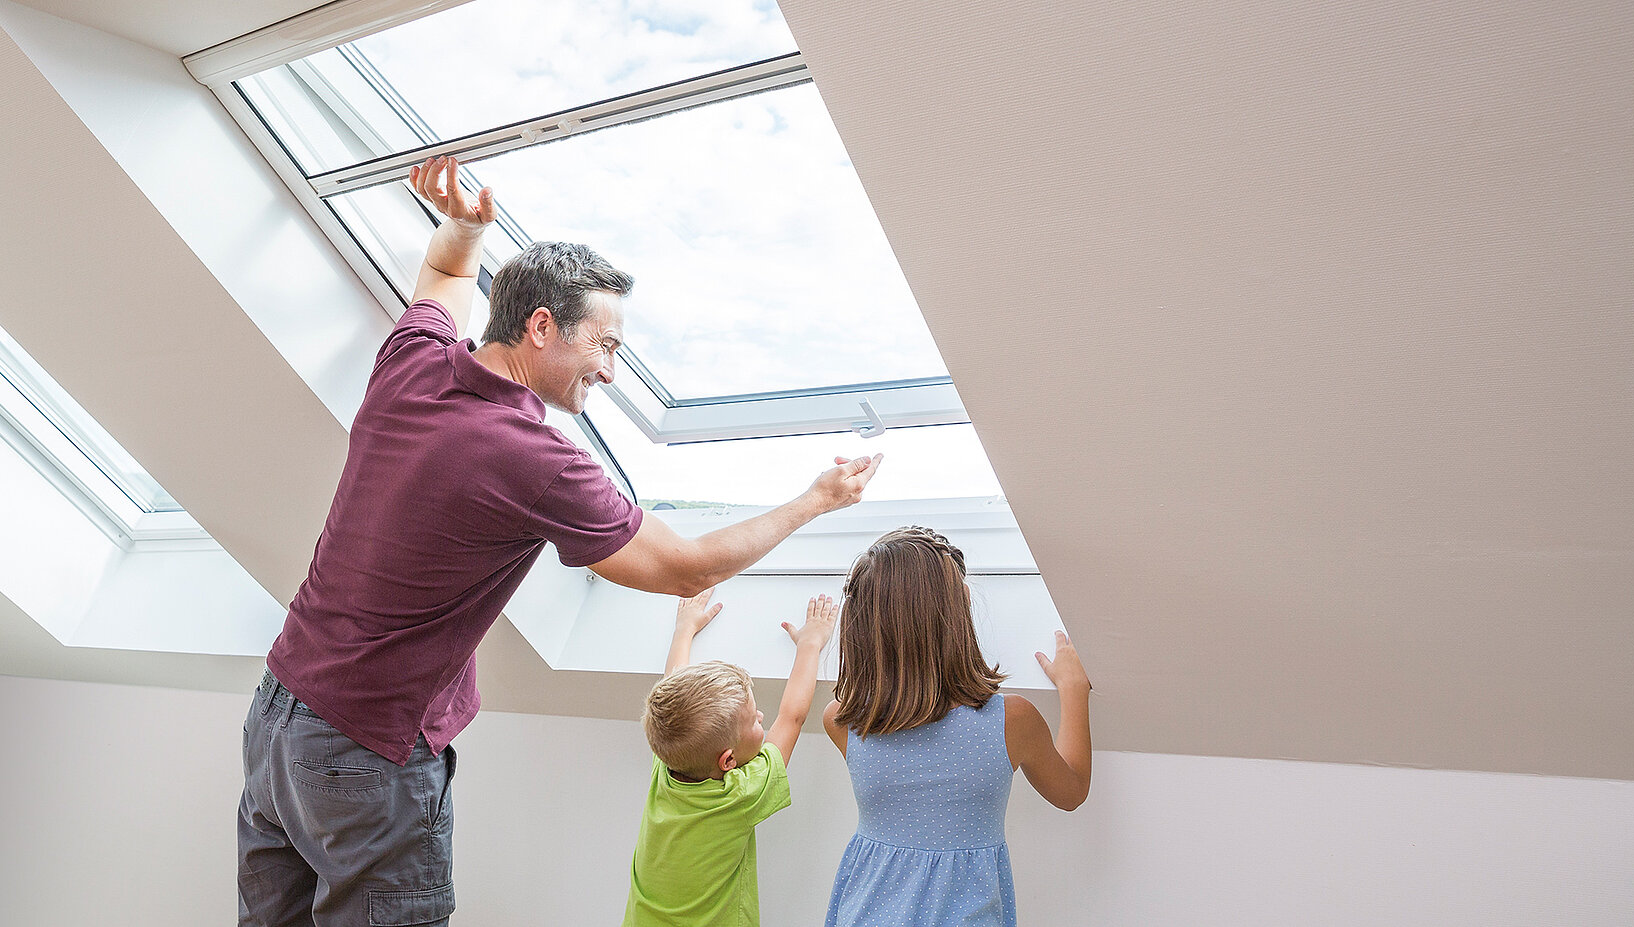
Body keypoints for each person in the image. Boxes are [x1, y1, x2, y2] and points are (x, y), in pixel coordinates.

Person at [237, 156, 882, 927]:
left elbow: (443, 271)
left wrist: (468, 228)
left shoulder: (412, 362)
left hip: (279, 717)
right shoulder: (530, 455)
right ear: (542, 327)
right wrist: (815, 499)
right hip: (364, 749)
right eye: (605, 345)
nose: (610, 371)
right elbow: (684, 568)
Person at [820, 526, 1092, 927]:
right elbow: (1071, 791)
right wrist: (1073, 692)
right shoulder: (1011, 721)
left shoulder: (843, 721)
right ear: (957, 615)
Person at [622, 588, 838, 926]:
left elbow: (673, 688)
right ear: (728, 762)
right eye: (753, 720)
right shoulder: (738, 793)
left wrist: (684, 629)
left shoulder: (667, 762)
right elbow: (791, 718)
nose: (762, 717)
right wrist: (810, 644)